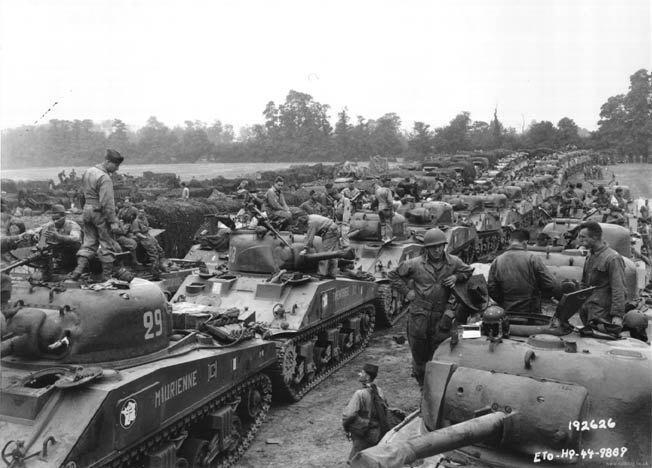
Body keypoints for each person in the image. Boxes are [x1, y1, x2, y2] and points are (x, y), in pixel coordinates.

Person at [388, 228, 473, 386]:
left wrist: (456, 276)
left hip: (442, 315)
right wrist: (406, 292)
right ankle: (422, 383)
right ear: (426, 249)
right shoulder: (414, 264)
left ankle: (437, 384)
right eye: (433, 247)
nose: (437, 250)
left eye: (440, 246)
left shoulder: (453, 262)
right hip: (420, 314)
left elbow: (468, 272)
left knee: (441, 349)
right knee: (419, 350)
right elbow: (393, 275)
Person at [70, 149, 124, 281]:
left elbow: (81, 194)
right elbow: (107, 202)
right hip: (99, 212)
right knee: (107, 244)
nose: (117, 169)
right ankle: (107, 278)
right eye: (115, 165)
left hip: (87, 210)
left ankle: (77, 271)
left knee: (88, 243)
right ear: (107, 161)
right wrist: (113, 221)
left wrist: (85, 209)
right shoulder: (105, 178)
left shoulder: (88, 172)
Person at [487, 229, 556, 314]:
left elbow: (491, 287)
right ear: (525, 243)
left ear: (510, 241)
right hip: (530, 312)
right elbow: (550, 284)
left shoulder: (497, 260)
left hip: (506, 311)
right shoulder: (533, 259)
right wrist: (537, 296)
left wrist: (503, 300)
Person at [576, 222, 627, 331]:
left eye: (582, 237)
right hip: (588, 311)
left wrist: (617, 315)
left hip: (603, 315)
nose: (579, 239)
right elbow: (584, 283)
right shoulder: (590, 255)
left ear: (594, 238)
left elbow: (619, 288)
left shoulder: (612, 258)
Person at [342, 363, 386, 463]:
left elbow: (349, 415)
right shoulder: (379, 391)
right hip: (378, 432)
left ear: (367, 377)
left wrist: (346, 427)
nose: (359, 374)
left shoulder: (360, 394)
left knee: (356, 461)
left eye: (362, 372)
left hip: (363, 433)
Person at [37, 204, 82, 281]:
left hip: (71, 254)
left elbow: (76, 238)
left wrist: (58, 236)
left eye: (57, 219)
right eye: (53, 219)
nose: (55, 221)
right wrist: (39, 239)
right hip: (55, 253)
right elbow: (40, 243)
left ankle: (71, 269)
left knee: (73, 245)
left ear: (64, 216)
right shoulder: (48, 226)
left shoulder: (72, 225)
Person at [300, 213, 340, 278]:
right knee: (333, 254)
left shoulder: (311, 223)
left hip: (330, 231)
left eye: (300, 221)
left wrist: (305, 249)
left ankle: (321, 273)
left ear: (303, 218)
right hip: (334, 228)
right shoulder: (311, 217)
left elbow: (310, 237)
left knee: (324, 253)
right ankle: (332, 273)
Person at [375, 177, 394, 242]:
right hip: (386, 208)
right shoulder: (387, 190)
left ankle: (383, 237)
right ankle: (388, 238)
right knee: (388, 223)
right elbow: (390, 200)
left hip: (380, 208)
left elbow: (376, 200)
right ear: (385, 182)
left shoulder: (377, 190)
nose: (389, 183)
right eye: (388, 181)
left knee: (382, 223)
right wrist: (391, 209)